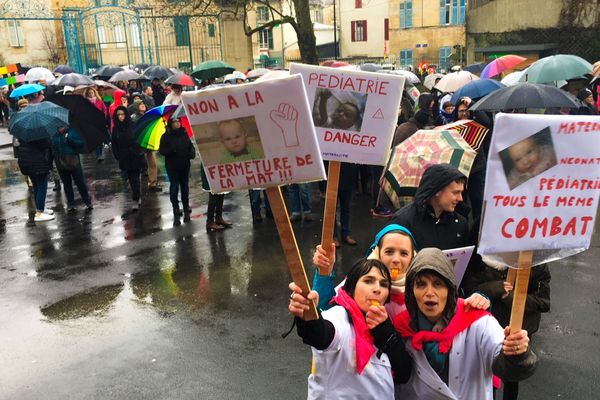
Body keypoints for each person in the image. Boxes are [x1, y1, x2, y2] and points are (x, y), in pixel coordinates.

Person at [392, 248, 537, 399]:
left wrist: (517, 354)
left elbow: (508, 369)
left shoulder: (478, 321)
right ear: (411, 291)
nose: (429, 292)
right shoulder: (400, 327)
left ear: (450, 289)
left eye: (438, 284)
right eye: (421, 284)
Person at [288, 258, 413, 399]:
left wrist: (386, 334)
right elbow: (321, 334)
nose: (377, 289)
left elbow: (404, 373)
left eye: (384, 284)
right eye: (368, 281)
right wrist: (309, 317)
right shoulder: (338, 316)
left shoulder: (386, 323)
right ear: (352, 287)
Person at [311, 224, 490, 318]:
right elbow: (325, 309)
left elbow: (453, 310)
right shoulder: (360, 281)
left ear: (413, 257)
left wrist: (480, 300)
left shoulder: (420, 288)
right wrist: (324, 272)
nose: (396, 259)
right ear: (377, 253)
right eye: (389, 252)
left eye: (404, 253)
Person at [472, 257, 550, 400]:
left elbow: (544, 302)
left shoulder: (536, 263)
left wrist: (513, 298)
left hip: (519, 331)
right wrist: (494, 287)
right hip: (490, 328)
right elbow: (471, 288)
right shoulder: (486, 257)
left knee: (512, 378)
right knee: (489, 372)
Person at [390, 163, 469, 251]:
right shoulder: (403, 221)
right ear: (437, 191)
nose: (460, 198)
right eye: (455, 193)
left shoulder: (460, 224)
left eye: (461, 193)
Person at [159, 117, 196, 221]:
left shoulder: (184, 133)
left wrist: (191, 154)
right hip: (172, 166)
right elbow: (162, 150)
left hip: (184, 164)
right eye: (174, 122)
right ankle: (175, 206)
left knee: (185, 186)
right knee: (174, 186)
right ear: (170, 124)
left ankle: (186, 205)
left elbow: (190, 146)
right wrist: (171, 150)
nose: (177, 123)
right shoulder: (166, 136)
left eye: (178, 121)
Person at [111, 106, 145, 210]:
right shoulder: (115, 128)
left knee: (135, 178)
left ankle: (136, 198)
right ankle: (136, 195)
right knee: (130, 179)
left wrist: (139, 151)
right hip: (124, 156)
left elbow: (140, 138)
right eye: (118, 115)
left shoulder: (132, 125)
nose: (121, 117)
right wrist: (117, 155)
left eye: (122, 114)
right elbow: (114, 143)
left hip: (135, 155)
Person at [52, 126, 93, 212]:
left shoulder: (72, 131)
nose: (60, 128)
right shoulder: (54, 135)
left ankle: (87, 202)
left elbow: (81, 143)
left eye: (62, 126)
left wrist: (70, 139)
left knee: (80, 182)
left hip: (73, 161)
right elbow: (52, 149)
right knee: (67, 184)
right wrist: (50, 160)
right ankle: (71, 204)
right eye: (59, 126)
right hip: (60, 163)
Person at [16, 135, 54, 221]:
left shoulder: (22, 133)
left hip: (26, 162)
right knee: (41, 186)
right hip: (37, 163)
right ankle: (40, 212)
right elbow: (47, 144)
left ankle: (40, 208)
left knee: (36, 185)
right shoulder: (38, 133)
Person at [83, 87, 109, 162]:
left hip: (100, 122)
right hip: (92, 123)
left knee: (100, 138)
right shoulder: (86, 102)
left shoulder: (99, 101)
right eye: (89, 93)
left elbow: (104, 109)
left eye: (92, 92)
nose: (91, 94)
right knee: (95, 139)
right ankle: (99, 154)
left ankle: (101, 153)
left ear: (95, 93)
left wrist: (103, 116)